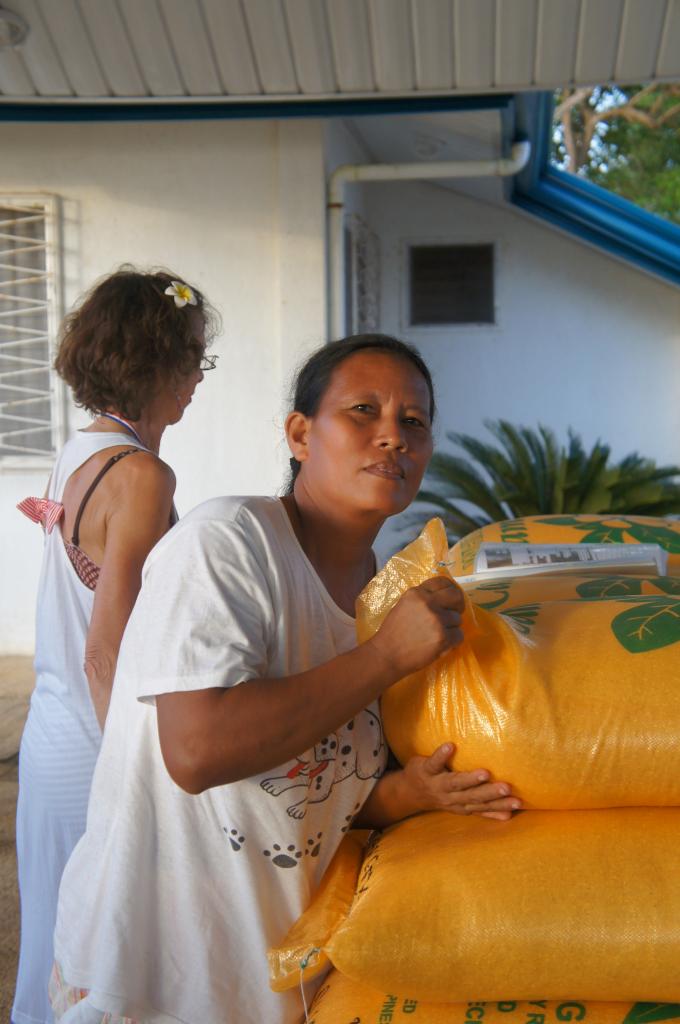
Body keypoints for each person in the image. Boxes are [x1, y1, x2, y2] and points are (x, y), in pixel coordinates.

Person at [50, 334, 519, 1024]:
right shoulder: (229, 542)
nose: (393, 436)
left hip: (268, 980)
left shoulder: (384, 595)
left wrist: (404, 794)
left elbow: (313, 791)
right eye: (364, 411)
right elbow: (198, 750)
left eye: (414, 422)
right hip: (152, 975)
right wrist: (385, 658)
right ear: (301, 434)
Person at [12, 268, 219, 1024]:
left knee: (54, 957)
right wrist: (146, 779)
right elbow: (108, 652)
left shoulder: (81, 451)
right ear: (150, 363)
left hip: (51, 735)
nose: (198, 377)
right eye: (191, 357)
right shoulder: (143, 476)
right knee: (103, 971)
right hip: (95, 750)